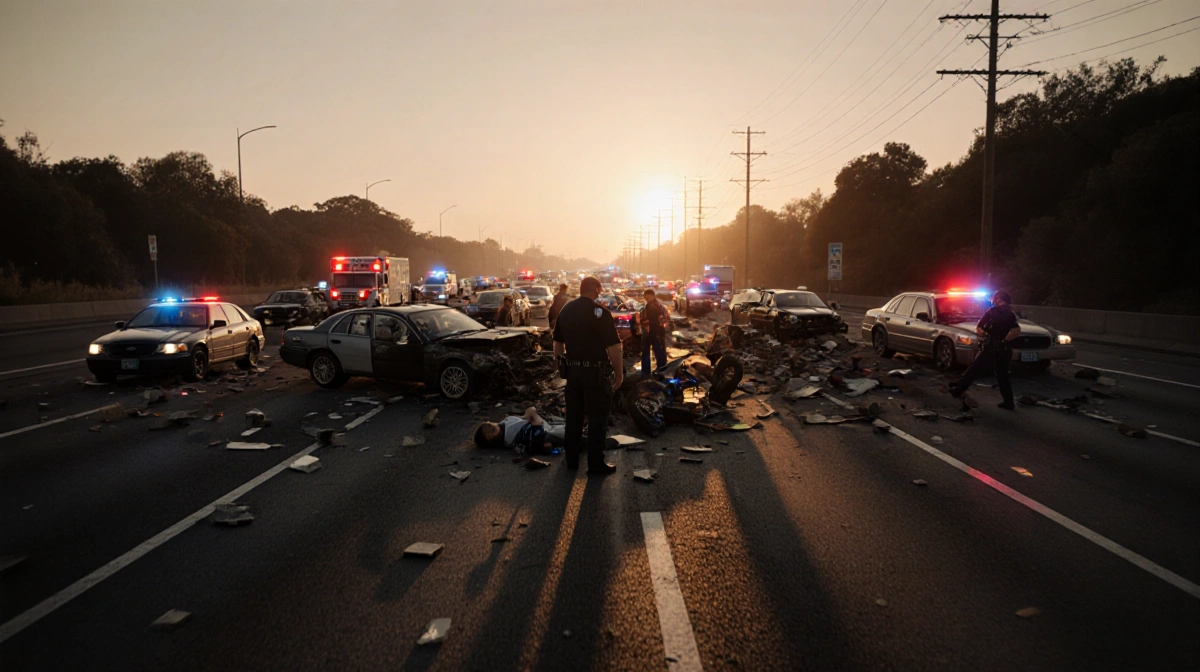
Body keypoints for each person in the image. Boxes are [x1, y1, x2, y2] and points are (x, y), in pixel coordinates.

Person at [553, 276, 623, 474]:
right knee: (597, 419)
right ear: (597, 290)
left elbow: (557, 344)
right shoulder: (600, 312)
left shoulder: (565, 311)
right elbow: (614, 347)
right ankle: (595, 464)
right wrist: (618, 375)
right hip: (595, 374)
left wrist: (562, 367)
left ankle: (571, 461)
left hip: (573, 374)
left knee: (573, 418)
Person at [949, 290, 1021, 409]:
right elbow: (982, 327)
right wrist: (1000, 339)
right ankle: (1009, 402)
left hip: (994, 347)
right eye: (997, 299)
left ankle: (958, 389)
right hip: (1001, 347)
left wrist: (997, 338)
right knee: (1001, 375)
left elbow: (1014, 330)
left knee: (976, 369)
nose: (999, 302)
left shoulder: (998, 312)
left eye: (1001, 300)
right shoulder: (1007, 313)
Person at [473, 406, 564, 455]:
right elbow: (535, 422)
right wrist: (532, 414)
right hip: (543, 431)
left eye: (487, 422)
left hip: (544, 426)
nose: (488, 422)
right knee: (569, 432)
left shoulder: (506, 423)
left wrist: (530, 413)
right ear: (488, 436)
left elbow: (525, 415)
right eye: (487, 425)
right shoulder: (509, 435)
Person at [639, 288, 670, 378]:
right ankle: (658, 370)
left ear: (652, 295)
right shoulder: (654, 305)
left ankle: (654, 372)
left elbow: (658, 321)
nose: (645, 297)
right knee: (656, 352)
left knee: (656, 352)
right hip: (654, 332)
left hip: (654, 332)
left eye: (647, 296)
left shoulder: (655, 306)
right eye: (645, 296)